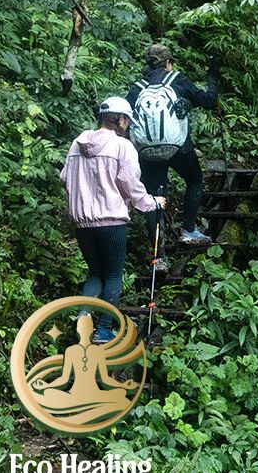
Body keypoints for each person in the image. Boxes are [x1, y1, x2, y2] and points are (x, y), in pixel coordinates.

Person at [60, 97, 165, 343]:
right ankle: (104, 330)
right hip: (111, 221)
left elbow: (65, 179)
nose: (127, 124)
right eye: (126, 119)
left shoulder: (77, 143)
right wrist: (152, 203)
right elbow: (131, 186)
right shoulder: (122, 146)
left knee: (95, 273)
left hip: (82, 222)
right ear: (119, 119)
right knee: (113, 275)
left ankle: (84, 315)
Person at [126, 44, 218, 269]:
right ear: (168, 63)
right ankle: (188, 230)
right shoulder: (177, 79)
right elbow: (208, 100)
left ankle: (159, 258)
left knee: (154, 200)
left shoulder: (137, 87)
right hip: (178, 148)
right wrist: (213, 76)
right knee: (194, 180)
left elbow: (126, 119)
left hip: (147, 152)